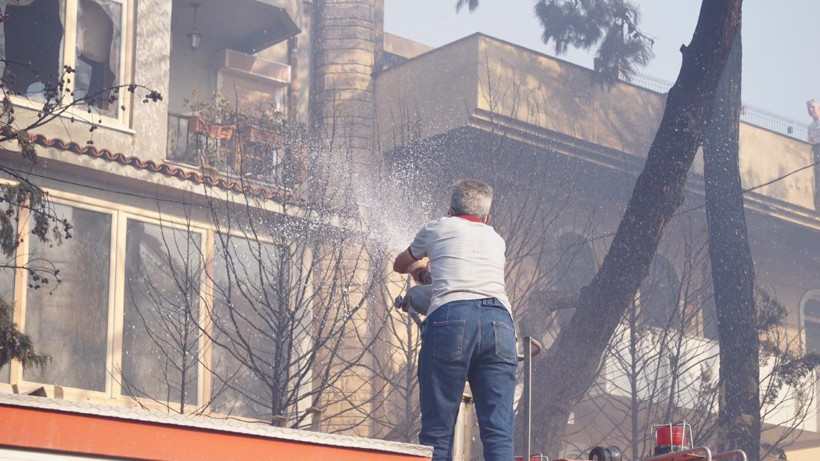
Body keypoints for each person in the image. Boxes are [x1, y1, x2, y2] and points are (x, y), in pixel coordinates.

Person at [393, 179, 517, 461]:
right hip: (499, 324)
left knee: (437, 433)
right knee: (498, 434)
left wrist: (418, 268)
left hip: (451, 321)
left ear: (450, 210)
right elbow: (469, 278)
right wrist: (428, 276)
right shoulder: (496, 239)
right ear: (487, 218)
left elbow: (400, 264)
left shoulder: (436, 227)